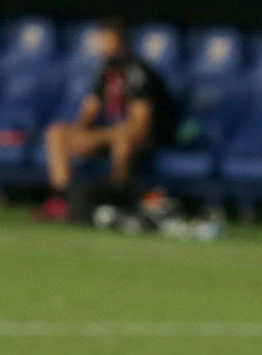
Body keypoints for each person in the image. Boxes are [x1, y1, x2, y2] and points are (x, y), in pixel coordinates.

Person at [41, 18, 175, 220]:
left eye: (107, 40)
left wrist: (94, 139)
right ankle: (64, 199)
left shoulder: (139, 73)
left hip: (144, 140)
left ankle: (117, 201)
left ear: (121, 42)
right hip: (108, 134)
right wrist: (79, 134)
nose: (101, 45)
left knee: (123, 143)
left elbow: (140, 128)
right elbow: (88, 111)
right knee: (57, 133)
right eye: (100, 40)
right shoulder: (104, 71)